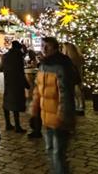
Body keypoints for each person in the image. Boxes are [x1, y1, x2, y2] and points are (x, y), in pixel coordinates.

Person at [30, 37, 76, 174]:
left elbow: (65, 93)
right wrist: (34, 110)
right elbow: (37, 90)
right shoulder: (43, 65)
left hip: (58, 116)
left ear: (55, 48)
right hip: (46, 116)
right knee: (50, 149)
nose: (44, 49)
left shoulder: (62, 65)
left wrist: (63, 115)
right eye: (42, 46)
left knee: (58, 153)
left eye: (47, 46)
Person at [1, 41, 29, 133]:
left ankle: (8, 123)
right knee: (16, 104)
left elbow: (1, 68)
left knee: (7, 103)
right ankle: (17, 126)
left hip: (8, 82)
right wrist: (26, 84)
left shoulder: (5, 56)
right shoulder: (18, 57)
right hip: (17, 83)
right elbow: (20, 72)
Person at [60, 43, 85, 116]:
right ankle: (80, 106)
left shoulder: (68, 59)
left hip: (72, 78)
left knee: (74, 93)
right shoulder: (78, 57)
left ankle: (76, 107)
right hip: (78, 77)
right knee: (79, 92)